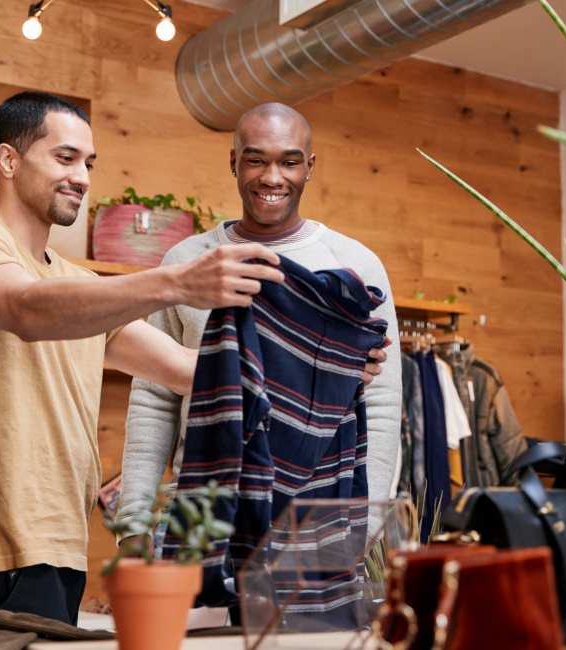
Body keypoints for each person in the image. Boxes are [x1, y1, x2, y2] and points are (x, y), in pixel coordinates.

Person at [0, 91, 288, 627]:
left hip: (61, 548)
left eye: (88, 163)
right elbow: (24, 307)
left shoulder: (79, 288)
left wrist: (324, 364)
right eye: (65, 158)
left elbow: (188, 371)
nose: (83, 177)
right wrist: (174, 282)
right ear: (9, 160)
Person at [117, 103, 402, 551]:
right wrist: (133, 521)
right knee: (192, 625)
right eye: (256, 160)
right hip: (200, 510)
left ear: (310, 167)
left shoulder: (355, 267)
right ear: (233, 162)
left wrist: (365, 526)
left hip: (316, 517)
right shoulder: (187, 264)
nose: (273, 177)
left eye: (289, 162)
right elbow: (154, 397)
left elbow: (382, 401)